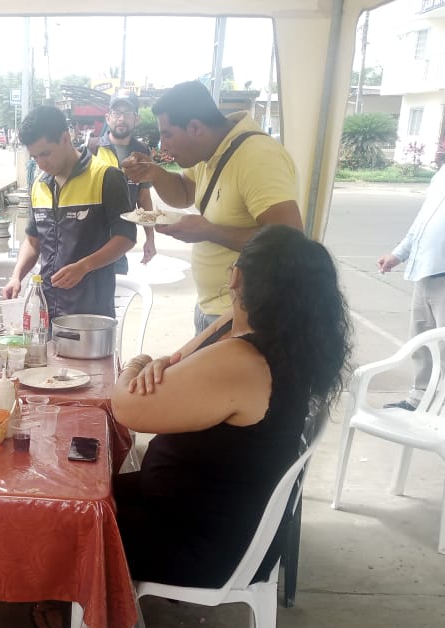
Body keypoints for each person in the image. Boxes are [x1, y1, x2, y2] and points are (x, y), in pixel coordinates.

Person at [111, 225, 351, 591]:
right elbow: (176, 363)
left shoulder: (244, 359)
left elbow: (127, 408)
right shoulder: (278, 342)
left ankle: (68, 618)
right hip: (196, 511)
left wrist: (136, 365)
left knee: (69, 518)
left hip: (200, 544)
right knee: (84, 494)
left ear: (236, 276)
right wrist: (160, 365)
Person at [122, 80, 302, 334]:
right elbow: (184, 193)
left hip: (246, 315)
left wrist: (209, 231)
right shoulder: (210, 151)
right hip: (214, 308)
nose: (163, 146)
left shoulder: (258, 157)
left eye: (167, 134)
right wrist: (154, 173)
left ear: (195, 128)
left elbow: (289, 241)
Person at [376, 100, 445, 411]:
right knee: (422, 344)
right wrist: (398, 254)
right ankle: (419, 400)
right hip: (425, 274)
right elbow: (423, 220)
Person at [2, 105, 136, 320]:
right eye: (35, 157)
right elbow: (33, 241)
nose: (41, 164)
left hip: (91, 309)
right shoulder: (39, 185)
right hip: (46, 306)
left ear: (65, 138)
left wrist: (84, 267)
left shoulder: (106, 177)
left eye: (46, 153)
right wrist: (17, 275)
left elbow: (126, 237)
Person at [94, 90, 158, 272]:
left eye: (127, 113)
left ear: (136, 119)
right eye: (116, 113)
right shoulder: (92, 149)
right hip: (91, 240)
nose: (121, 118)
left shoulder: (142, 153)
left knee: (118, 286)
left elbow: (144, 198)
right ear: (108, 117)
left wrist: (150, 238)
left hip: (120, 242)